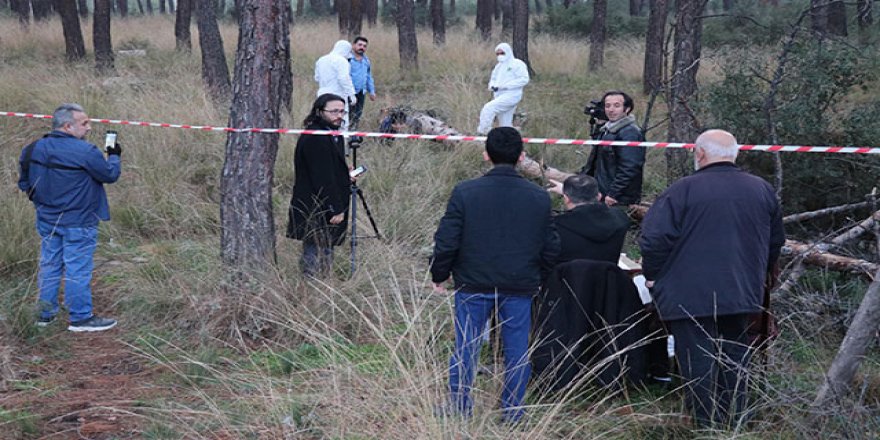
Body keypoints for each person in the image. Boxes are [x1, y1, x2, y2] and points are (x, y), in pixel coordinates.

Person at [639, 129, 785, 428]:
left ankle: (706, 425)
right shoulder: (761, 189)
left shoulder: (680, 191)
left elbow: (653, 240)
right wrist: (758, 276)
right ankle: (735, 422)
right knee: (736, 359)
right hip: (743, 292)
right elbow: (775, 242)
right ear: (735, 154)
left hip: (689, 294)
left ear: (699, 154)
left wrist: (653, 276)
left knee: (697, 362)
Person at [431, 127, 560, 423]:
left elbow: (447, 239)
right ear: (521, 156)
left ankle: (459, 406)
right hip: (520, 284)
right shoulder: (538, 197)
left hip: (473, 283)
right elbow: (551, 245)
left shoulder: (465, 192)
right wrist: (538, 276)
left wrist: (440, 273)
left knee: (466, 346)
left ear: (486, 154)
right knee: (516, 350)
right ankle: (514, 411)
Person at [18, 103, 121, 332]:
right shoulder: (87, 152)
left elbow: (24, 180)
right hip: (79, 222)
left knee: (50, 264)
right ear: (67, 126)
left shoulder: (33, 148)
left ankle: (44, 315)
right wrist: (114, 156)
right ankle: (81, 318)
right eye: (84, 123)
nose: (89, 128)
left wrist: (37, 200)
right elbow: (110, 175)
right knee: (77, 268)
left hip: (47, 219)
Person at [286, 94, 352, 277]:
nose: (339, 115)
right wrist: (335, 208)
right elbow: (322, 177)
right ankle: (312, 286)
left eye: (342, 111)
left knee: (326, 246)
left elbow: (330, 167)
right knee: (315, 248)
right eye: (334, 111)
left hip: (324, 203)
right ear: (319, 111)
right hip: (316, 204)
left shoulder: (331, 132)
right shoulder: (316, 136)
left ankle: (324, 282)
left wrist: (345, 173)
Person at [581, 90, 646, 207]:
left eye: (617, 106)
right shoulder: (607, 129)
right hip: (601, 192)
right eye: (607, 106)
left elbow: (630, 167)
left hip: (617, 199)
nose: (611, 110)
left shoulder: (630, 133)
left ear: (627, 109)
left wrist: (613, 194)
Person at [553, 174, 631, 264]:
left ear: (566, 199)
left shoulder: (557, 227)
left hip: (567, 276)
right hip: (608, 275)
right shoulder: (620, 218)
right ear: (599, 196)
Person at [476, 43, 530, 135]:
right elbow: (493, 79)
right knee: (505, 124)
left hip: (512, 95)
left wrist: (507, 85)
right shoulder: (498, 67)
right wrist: (492, 86)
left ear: (508, 52)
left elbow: (524, 79)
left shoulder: (517, 64)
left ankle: (483, 132)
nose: (500, 55)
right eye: (497, 54)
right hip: (499, 95)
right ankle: (509, 141)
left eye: (502, 53)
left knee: (489, 108)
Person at [315, 40, 357, 131]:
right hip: (338, 95)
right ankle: (340, 143)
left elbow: (317, 78)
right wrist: (352, 94)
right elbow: (344, 78)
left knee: (323, 119)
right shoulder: (342, 61)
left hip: (322, 94)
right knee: (341, 120)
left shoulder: (321, 60)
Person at [348, 36, 376, 130]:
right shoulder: (348, 59)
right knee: (347, 114)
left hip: (361, 92)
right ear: (353, 45)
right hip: (349, 92)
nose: (362, 47)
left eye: (364, 46)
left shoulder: (366, 60)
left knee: (357, 115)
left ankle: (354, 136)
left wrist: (371, 91)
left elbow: (368, 77)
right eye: (360, 45)